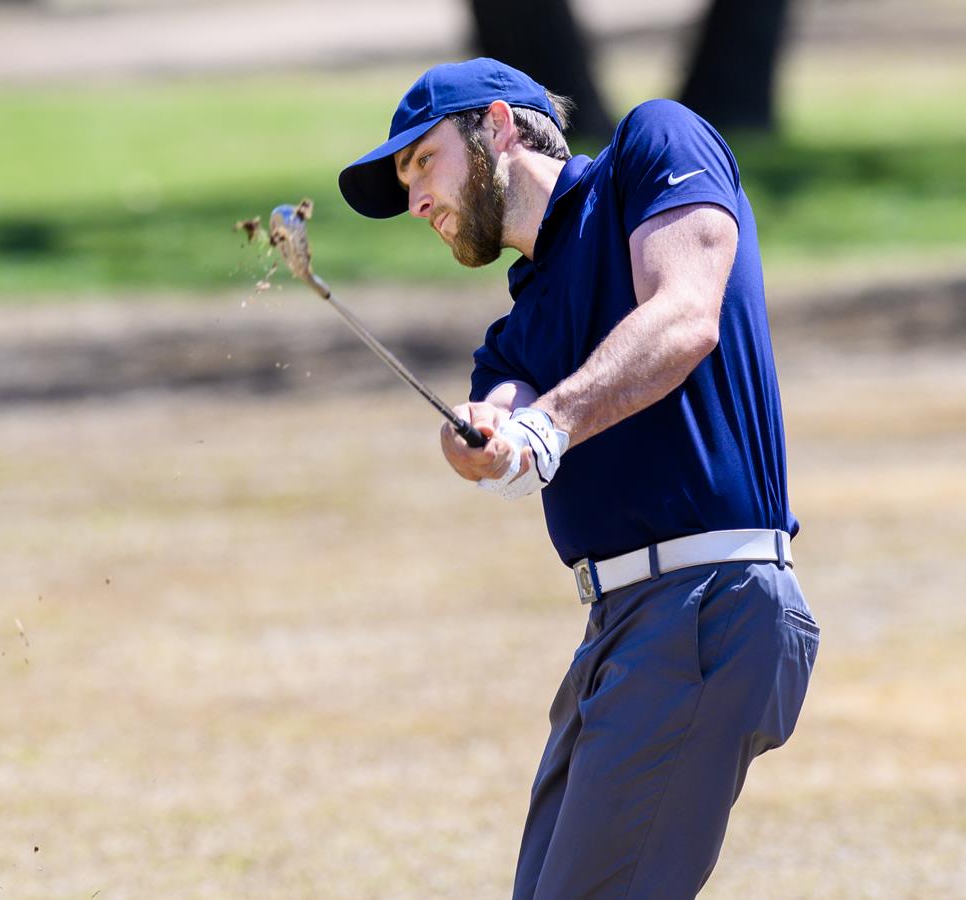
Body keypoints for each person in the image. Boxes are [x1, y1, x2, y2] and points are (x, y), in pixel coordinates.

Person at [337, 58, 820, 898]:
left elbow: (685, 316)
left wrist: (548, 424)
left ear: (496, 126)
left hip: (709, 604)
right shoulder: (517, 330)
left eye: (422, 162)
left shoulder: (655, 147)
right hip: (619, 628)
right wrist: (485, 443)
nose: (415, 200)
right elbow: (506, 415)